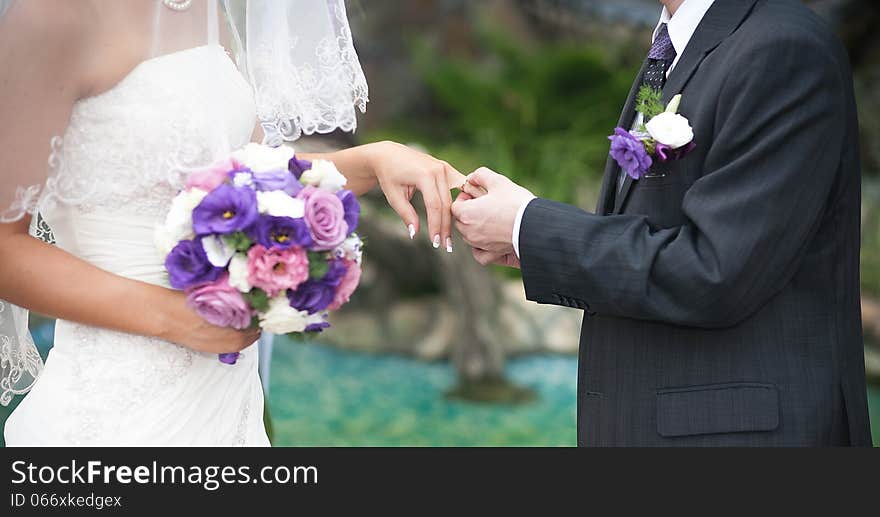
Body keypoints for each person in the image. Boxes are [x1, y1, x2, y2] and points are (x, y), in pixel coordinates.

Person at [0, 0, 464, 445]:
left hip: (227, 403)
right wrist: (175, 318)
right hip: (114, 411)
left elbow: (243, 178)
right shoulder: (51, 15)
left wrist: (370, 162)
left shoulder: (202, 7)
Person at [453, 0, 873, 446]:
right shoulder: (672, 48)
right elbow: (657, 227)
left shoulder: (783, 48)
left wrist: (528, 225)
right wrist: (529, 244)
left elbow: (717, 271)